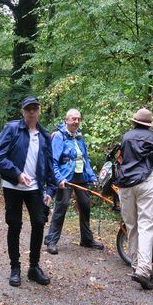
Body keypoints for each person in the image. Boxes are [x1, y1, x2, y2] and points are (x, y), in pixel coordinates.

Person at [0, 96, 57, 287]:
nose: (31, 112)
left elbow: (49, 164)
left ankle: (34, 268)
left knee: (39, 222)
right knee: (15, 225)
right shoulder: (12, 129)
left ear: (38, 111)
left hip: (35, 188)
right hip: (13, 186)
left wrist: (50, 189)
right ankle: (15, 268)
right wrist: (17, 173)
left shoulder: (44, 135)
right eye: (28, 109)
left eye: (34, 109)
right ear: (23, 111)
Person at [115, 108, 153, 290]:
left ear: (134, 121)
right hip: (145, 181)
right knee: (146, 225)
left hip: (125, 184)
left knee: (132, 227)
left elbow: (121, 159)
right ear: (148, 124)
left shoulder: (126, 137)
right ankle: (143, 270)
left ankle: (136, 265)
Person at [44, 109, 103, 255]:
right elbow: (53, 161)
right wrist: (58, 178)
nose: (76, 121)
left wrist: (92, 176)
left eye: (78, 119)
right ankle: (51, 240)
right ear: (66, 119)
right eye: (73, 119)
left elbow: (85, 159)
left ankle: (87, 239)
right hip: (65, 177)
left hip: (80, 176)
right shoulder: (58, 136)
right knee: (62, 206)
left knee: (85, 205)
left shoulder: (80, 137)